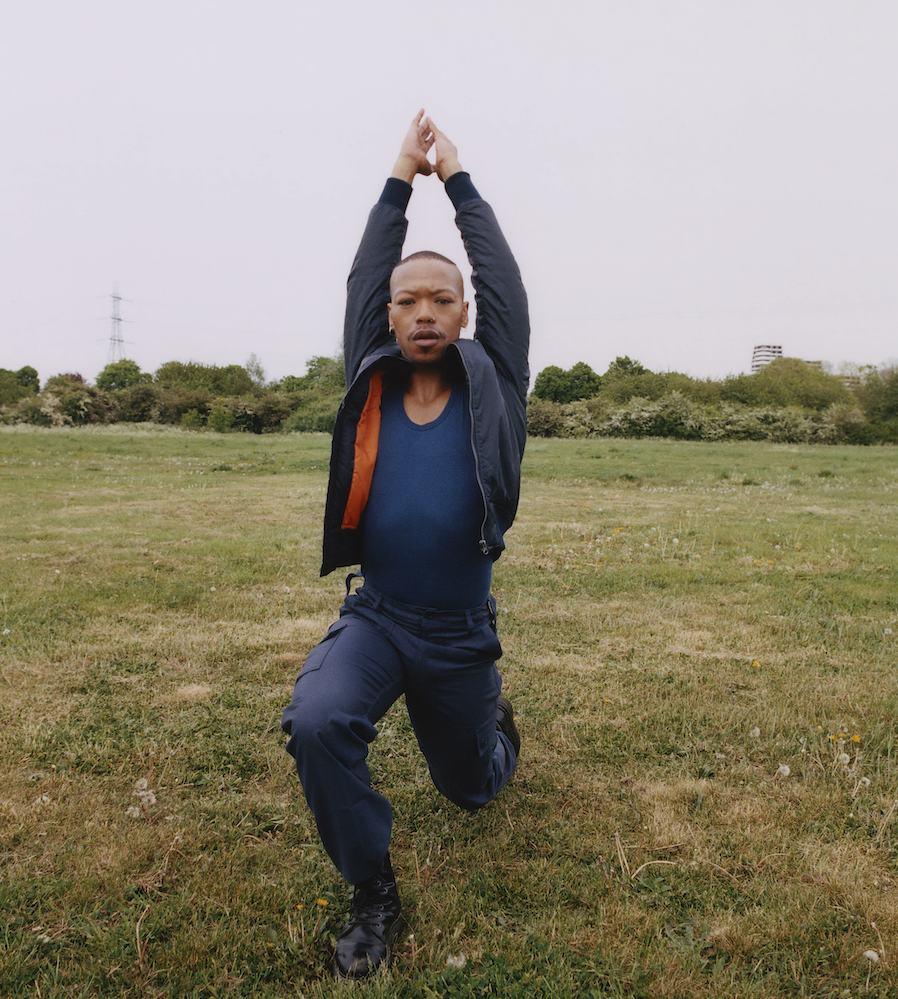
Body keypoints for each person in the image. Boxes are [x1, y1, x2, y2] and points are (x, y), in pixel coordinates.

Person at [280, 111, 530, 979]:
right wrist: (397, 176)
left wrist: (456, 179)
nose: (424, 313)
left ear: (465, 313)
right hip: (379, 617)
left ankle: (497, 732)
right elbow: (365, 273)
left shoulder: (497, 380)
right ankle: (373, 891)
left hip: (459, 630)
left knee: (471, 788)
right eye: (408, 301)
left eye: (441, 300)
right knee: (317, 722)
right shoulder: (370, 374)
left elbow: (503, 281)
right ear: (387, 316)